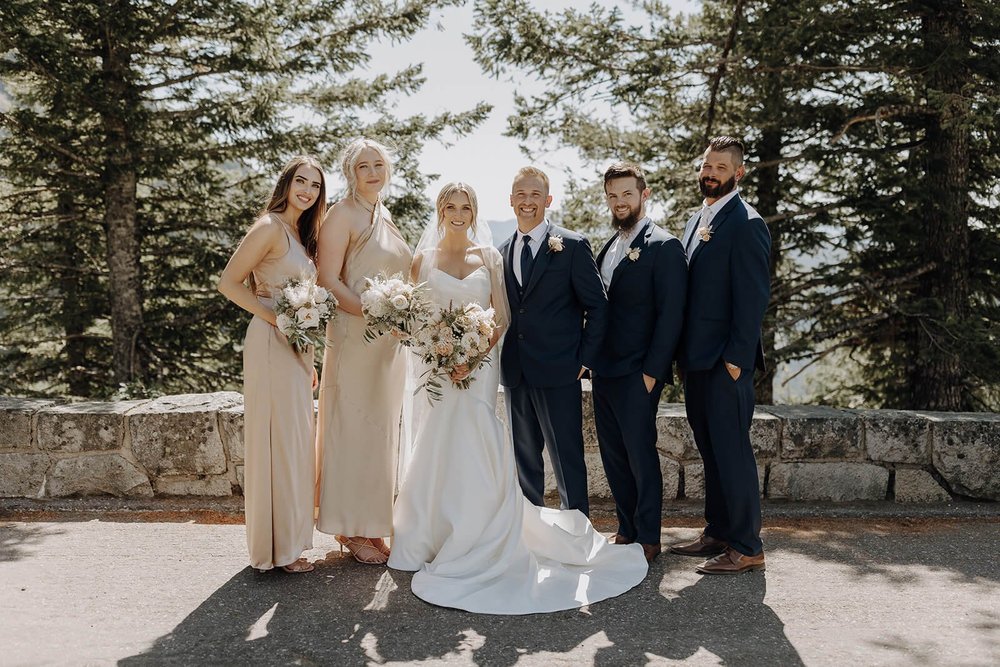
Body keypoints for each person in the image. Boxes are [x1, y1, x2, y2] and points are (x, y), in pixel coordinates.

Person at [388, 182, 647, 614]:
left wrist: (472, 356)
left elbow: (502, 316)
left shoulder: (490, 256)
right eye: (450, 206)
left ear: (475, 211)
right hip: (436, 372)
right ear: (440, 210)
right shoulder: (421, 261)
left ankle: (485, 533)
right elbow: (412, 317)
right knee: (436, 443)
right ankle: (429, 535)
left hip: (480, 369)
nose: (457, 213)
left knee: (479, 443)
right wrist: (430, 347)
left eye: (465, 206)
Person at [217, 155, 326, 573]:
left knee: (294, 443)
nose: (307, 191)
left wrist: (304, 353)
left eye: (315, 186)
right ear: (287, 183)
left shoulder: (299, 234)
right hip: (267, 340)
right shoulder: (267, 227)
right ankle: (276, 551)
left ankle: (291, 544)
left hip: (293, 346)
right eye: (302, 181)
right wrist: (275, 319)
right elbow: (228, 284)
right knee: (277, 444)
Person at [670, 136, 771, 575]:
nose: (710, 173)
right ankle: (718, 531)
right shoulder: (697, 219)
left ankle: (748, 545)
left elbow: (753, 297)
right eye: (706, 166)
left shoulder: (747, 222)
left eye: (720, 167)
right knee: (710, 450)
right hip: (696, 359)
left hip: (725, 362)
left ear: (739, 172)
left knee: (732, 452)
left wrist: (737, 359)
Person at [315, 138, 412, 564]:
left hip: (388, 346)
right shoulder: (342, 214)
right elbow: (328, 279)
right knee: (352, 430)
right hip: (356, 337)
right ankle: (349, 529)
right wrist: (373, 316)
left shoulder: (384, 216)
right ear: (350, 173)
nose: (373, 172)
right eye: (363, 166)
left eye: (379, 165)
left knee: (379, 434)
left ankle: (373, 526)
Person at [498, 167, 608, 516]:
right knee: (525, 459)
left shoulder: (572, 246)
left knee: (567, 459)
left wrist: (584, 360)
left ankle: (577, 532)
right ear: (511, 199)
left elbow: (598, 305)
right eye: (521, 194)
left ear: (547, 200)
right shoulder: (500, 251)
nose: (527, 201)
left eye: (534, 195)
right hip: (516, 373)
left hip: (561, 371)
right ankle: (532, 533)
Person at [592, 162, 687, 563]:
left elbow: (672, 316)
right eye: (613, 196)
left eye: (626, 194)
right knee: (614, 454)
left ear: (643, 195)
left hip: (638, 372)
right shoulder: (607, 248)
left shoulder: (664, 246)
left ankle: (649, 534)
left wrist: (652, 373)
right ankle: (626, 527)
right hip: (604, 370)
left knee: (641, 455)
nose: (619, 202)